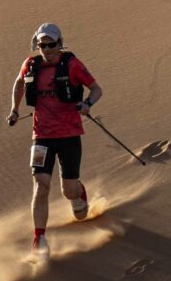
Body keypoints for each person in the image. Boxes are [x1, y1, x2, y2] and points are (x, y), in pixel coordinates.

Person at [6, 21, 102, 261]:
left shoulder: (72, 65)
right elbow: (19, 83)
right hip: (41, 136)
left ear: (60, 44)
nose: (46, 49)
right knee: (41, 186)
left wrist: (87, 104)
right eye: (42, 45)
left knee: (69, 192)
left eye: (51, 45)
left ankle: (78, 193)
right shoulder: (30, 65)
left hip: (69, 135)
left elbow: (97, 89)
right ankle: (39, 239)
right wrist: (14, 110)